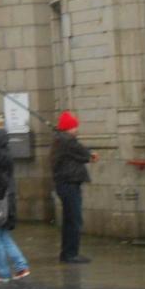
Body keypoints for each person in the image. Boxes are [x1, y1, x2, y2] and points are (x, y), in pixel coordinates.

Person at [0, 121, 30, 283]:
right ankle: (21, 266)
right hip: (6, 199)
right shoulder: (5, 155)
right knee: (3, 236)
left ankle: (3, 272)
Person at [51, 111, 98, 264]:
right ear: (68, 128)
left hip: (66, 184)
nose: (76, 130)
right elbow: (82, 152)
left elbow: (79, 153)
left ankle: (67, 252)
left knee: (69, 219)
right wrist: (91, 155)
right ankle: (71, 253)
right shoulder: (66, 140)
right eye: (74, 127)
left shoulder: (62, 139)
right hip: (68, 184)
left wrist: (88, 155)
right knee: (74, 220)